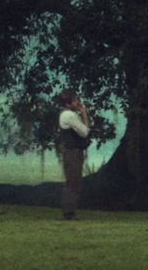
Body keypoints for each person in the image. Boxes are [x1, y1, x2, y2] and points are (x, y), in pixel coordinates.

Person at [55, 89, 91, 220]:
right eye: (75, 100)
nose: (77, 103)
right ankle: (69, 212)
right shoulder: (69, 115)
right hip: (73, 152)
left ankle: (69, 211)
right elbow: (85, 132)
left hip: (71, 151)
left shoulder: (66, 114)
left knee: (73, 181)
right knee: (73, 181)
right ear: (68, 103)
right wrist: (84, 114)